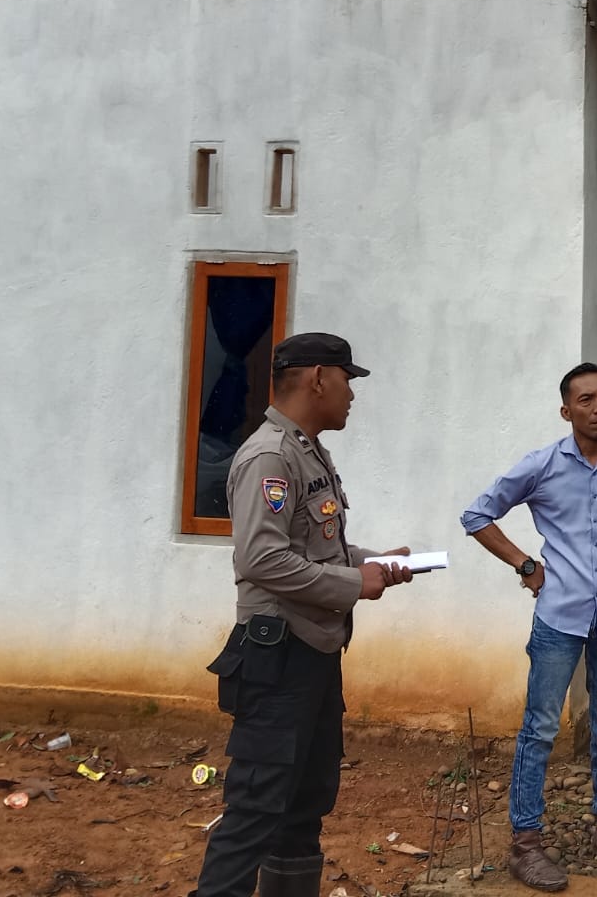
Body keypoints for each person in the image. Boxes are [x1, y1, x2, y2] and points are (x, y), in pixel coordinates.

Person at [193, 333, 415, 897]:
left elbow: (314, 546)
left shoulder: (307, 450)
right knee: (257, 805)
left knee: (305, 802)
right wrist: (351, 583)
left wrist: (375, 562)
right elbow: (261, 558)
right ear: (318, 378)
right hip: (277, 658)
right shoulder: (269, 455)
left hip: (313, 654)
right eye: (347, 380)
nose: (352, 394)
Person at [461, 364, 597, 892]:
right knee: (539, 729)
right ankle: (526, 844)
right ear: (566, 410)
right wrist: (526, 566)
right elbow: (477, 515)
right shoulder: (542, 465)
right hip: (560, 616)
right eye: (586, 400)